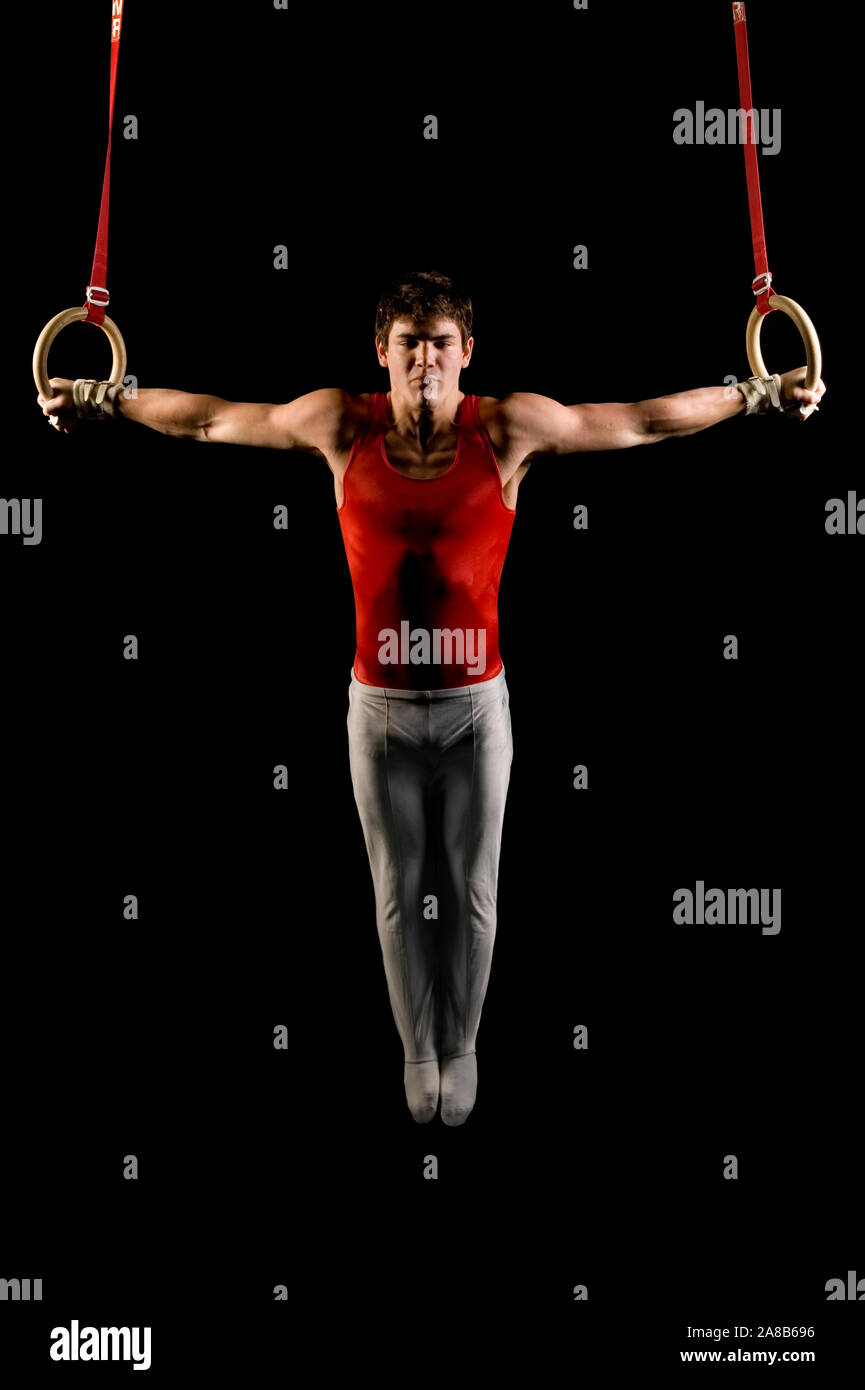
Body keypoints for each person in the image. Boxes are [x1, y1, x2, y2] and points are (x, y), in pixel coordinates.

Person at [36, 269, 827, 1125]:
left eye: (440, 346)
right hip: (376, 713)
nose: (424, 363)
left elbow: (635, 422)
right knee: (396, 887)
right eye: (408, 345)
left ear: (466, 354)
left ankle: (465, 1044)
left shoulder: (508, 428)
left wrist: (754, 394)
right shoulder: (340, 424)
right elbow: (213, 419)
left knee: (473, 889)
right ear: (381, 353)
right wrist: (100, 395)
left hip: (476, 710)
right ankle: (418, 1049)